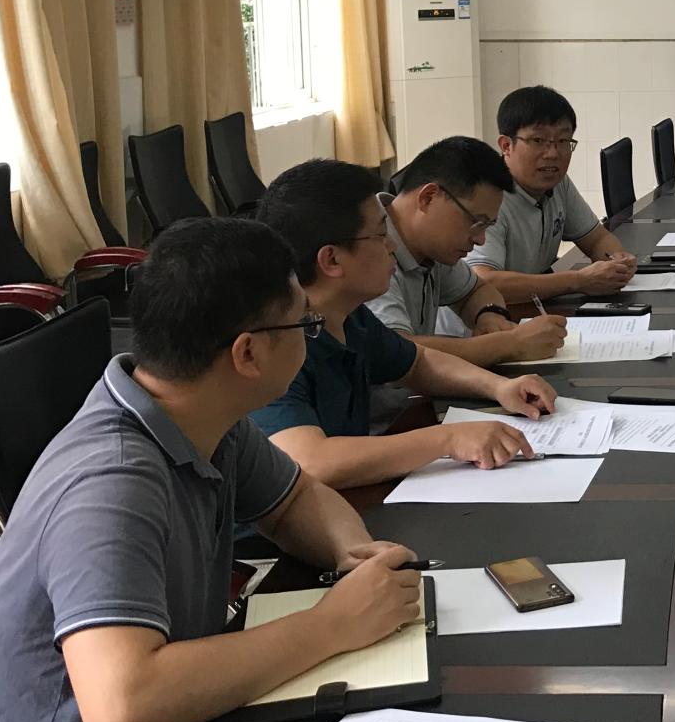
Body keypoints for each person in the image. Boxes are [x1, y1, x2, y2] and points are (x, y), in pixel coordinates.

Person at [0, 218, 425, 722]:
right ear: (247, 353)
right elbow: (123, 705)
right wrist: (331, 624)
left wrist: (350, 553)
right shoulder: (112, 483)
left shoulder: (203, 415)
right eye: (303, 324)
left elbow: (295, 497)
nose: (313, 334)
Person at [254, 159, 559, 487]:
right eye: (380, 234)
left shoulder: (349, 317)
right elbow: (310, 461)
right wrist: (448, 439)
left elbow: (418, 363)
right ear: (331, 259)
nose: (392, 245)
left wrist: (498, 387)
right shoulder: (273, 340)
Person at [367, 135, 566, 364]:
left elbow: (477, 290)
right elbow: (395, 352)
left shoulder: (430, 248)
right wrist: (510, 344)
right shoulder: (369, 251)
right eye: (476, 222)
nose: (480, 240)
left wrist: (489, 315)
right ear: (428, 197)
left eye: (487, 226)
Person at [468, 85, 639, 302]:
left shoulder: (558, 183)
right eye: (538, 141)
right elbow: (483, 281)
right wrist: (578, 281)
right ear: (506, 145)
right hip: (484, 319)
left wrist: (617, 261)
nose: (552, 154)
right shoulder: (487, 197)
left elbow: (596, 239)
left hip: (531, 307)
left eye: (563, 141)